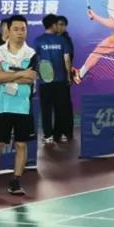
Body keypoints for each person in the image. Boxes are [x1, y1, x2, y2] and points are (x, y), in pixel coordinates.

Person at [0, 15, 37, 197]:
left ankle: (16, 181)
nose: (20, 32)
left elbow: (31, 78)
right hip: (3, 106)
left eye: (23, 29)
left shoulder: (31, 54)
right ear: (8, 30)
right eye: (16, 29)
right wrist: (21, 73)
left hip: (23, 106)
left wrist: (7, 74)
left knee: (21, 145)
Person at [33, 14, 72, 144]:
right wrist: (68, 77)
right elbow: (67, 60)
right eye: (57, 24)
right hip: (60, 81)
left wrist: (36, 78)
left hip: (45, 82)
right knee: (60, 109)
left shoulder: (38, 41)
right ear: (53, 25)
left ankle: (48, 136)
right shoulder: (62, 40)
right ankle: (59, 135)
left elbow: (35, 61)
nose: (58, 27)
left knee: (46, 110)